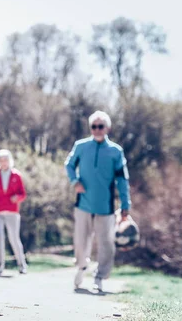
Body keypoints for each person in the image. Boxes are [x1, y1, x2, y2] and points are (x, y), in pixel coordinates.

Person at [64, 110, 131, 292]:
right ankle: (81, 266)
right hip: (83, 204)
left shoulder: (116, 151)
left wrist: (126, 206)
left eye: (100, 126)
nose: (97, 130)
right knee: (80, 242)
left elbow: (122, 180)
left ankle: (100, 277)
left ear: (107, 128)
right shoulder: (81, 146)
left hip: (105, 207)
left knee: (106, 244)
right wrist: (75, 181)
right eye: (94, 126)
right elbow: (69, 165)